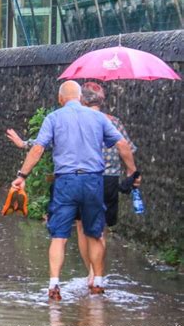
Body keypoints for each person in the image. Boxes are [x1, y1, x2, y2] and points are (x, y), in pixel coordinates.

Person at [10, 81, 140, 301]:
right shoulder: (100, 118)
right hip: (93, 181)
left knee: (59, 236)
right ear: (80, 98)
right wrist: (132, 172)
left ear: (61, 99)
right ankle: (97, 282)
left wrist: (22, 176)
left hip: (66, 182)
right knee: (95, 233)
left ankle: (53, 285)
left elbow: (39, 147)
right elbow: (122, 145)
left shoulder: (53, 118)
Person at [76, 82, 137, 287]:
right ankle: (99, 275)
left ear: (82, 100)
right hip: (109, 179)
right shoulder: (114, 122)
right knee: (101, 229)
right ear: (102, 101)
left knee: (83, 226)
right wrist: (131, 171)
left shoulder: (78, 122)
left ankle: (91, 273)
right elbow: (126, 147)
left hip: (84, 177)